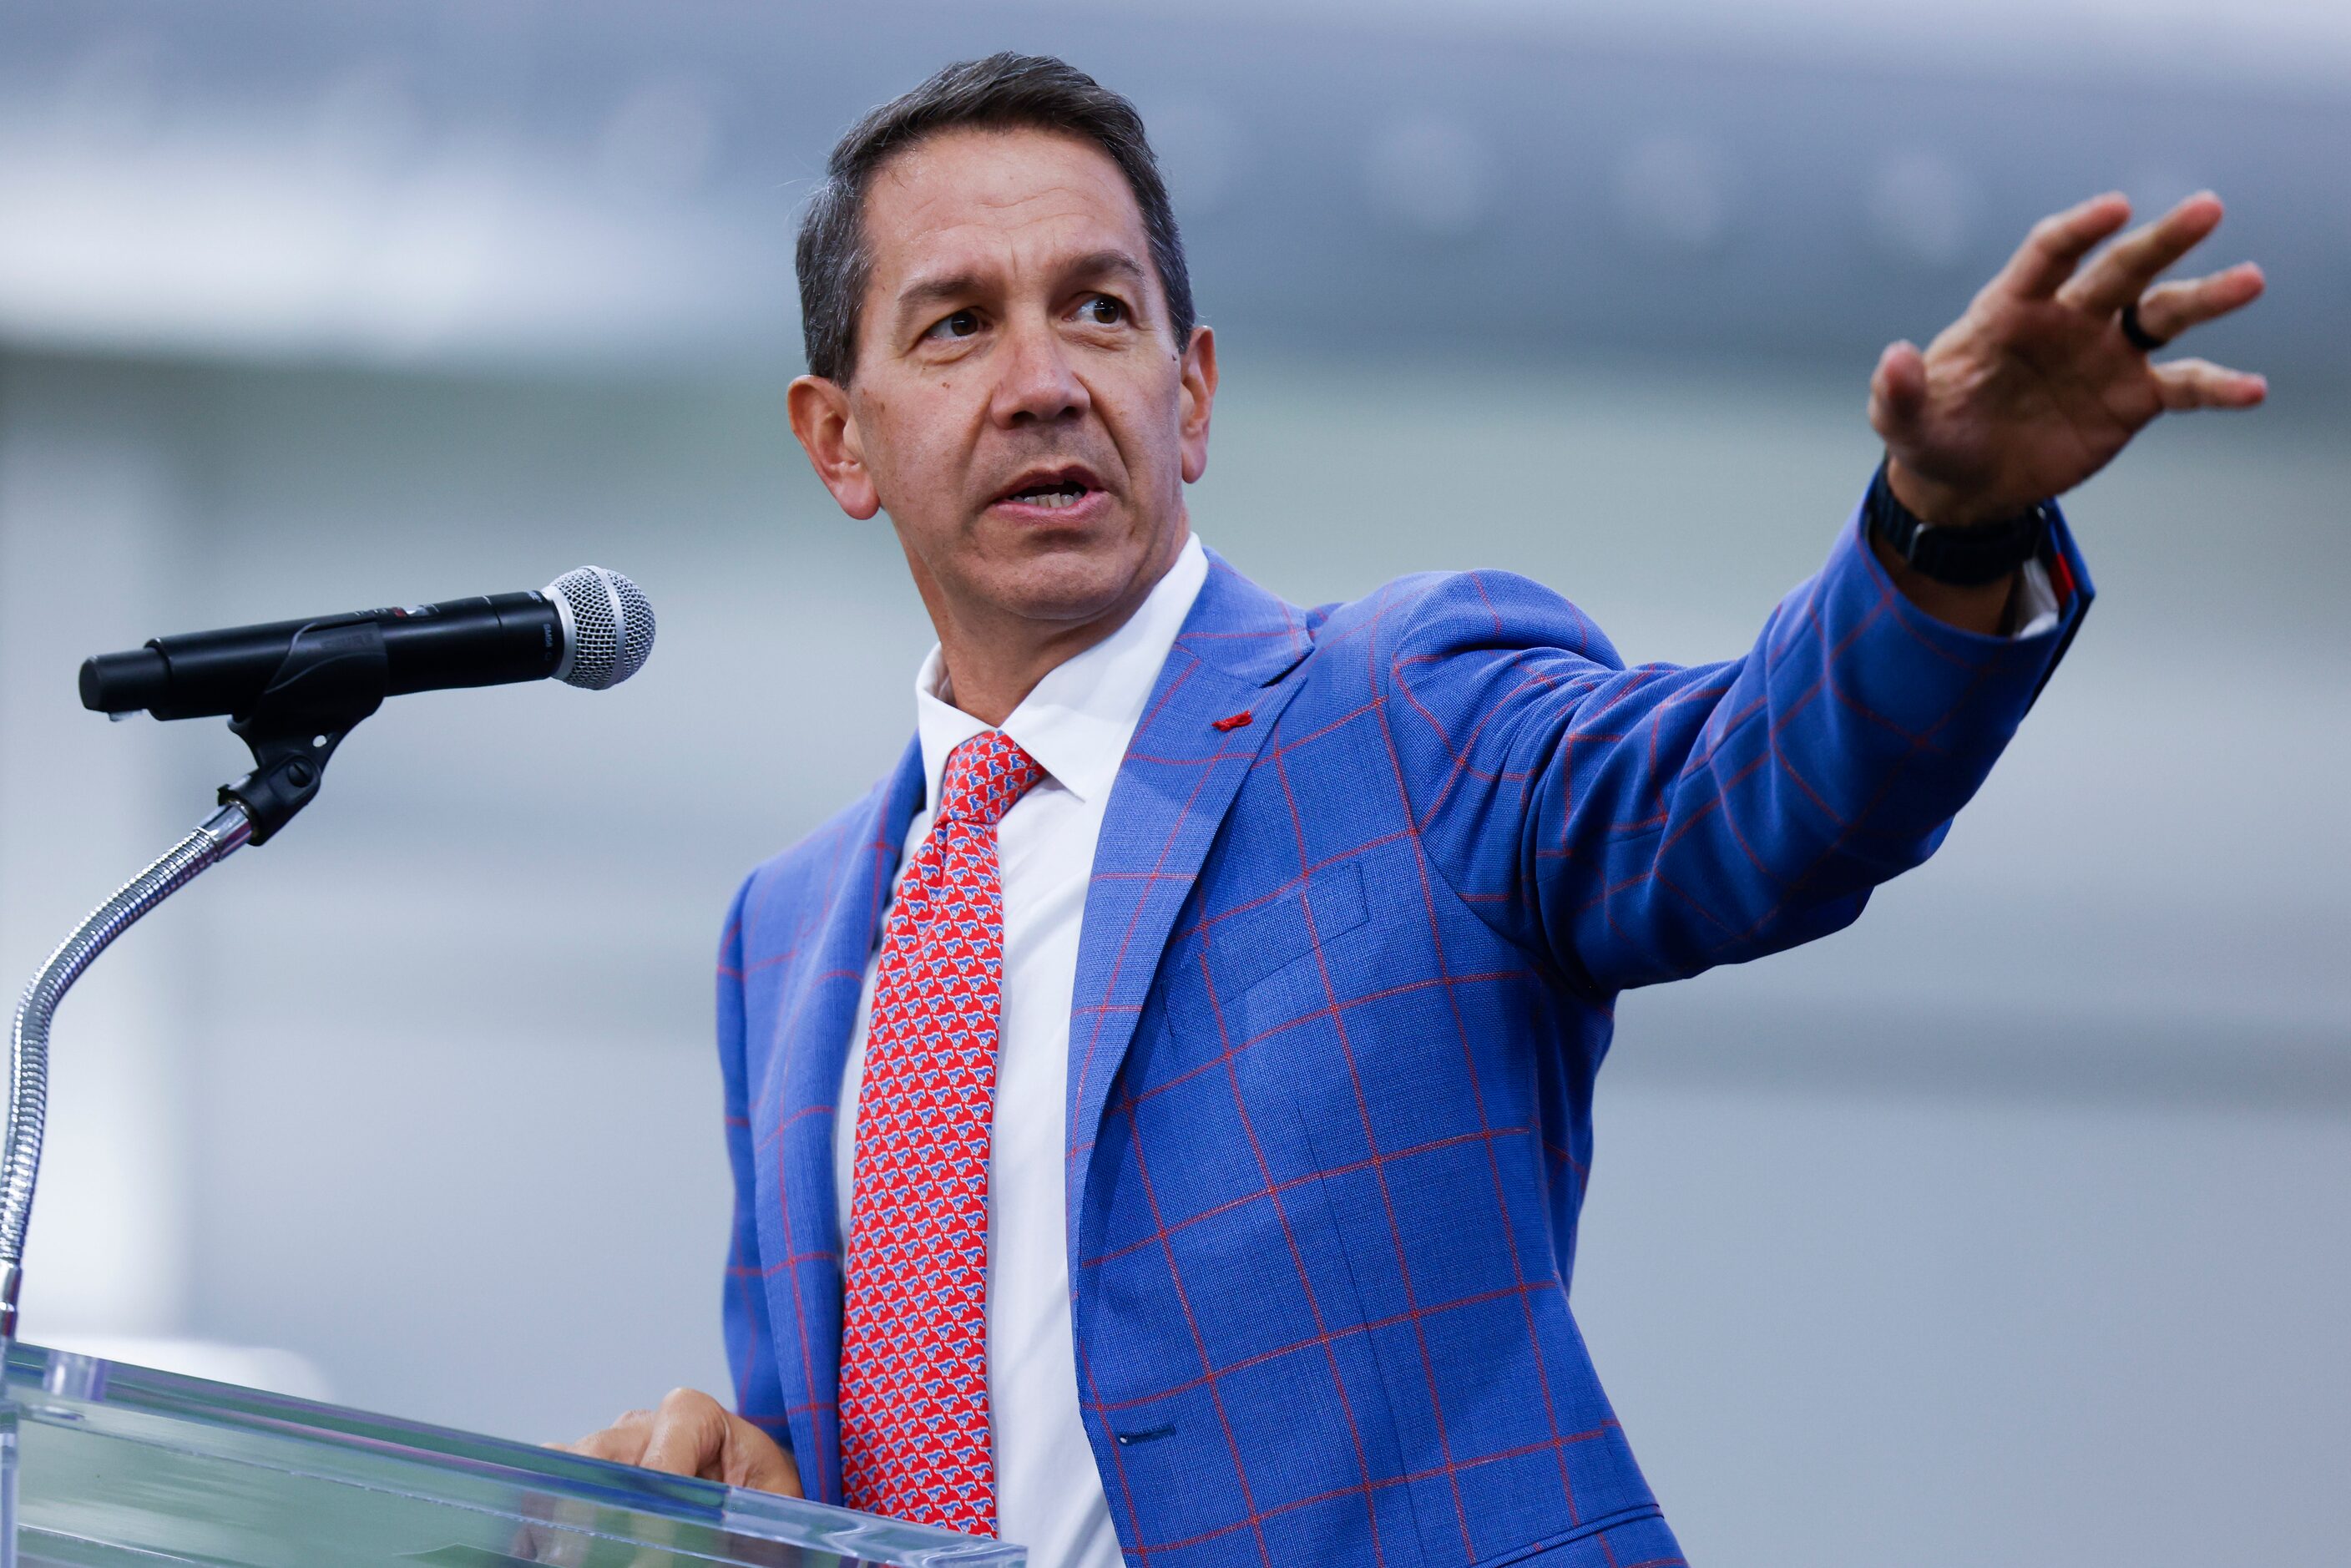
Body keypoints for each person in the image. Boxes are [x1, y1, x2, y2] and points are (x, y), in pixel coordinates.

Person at [564, 52, 2265, 1568]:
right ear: (837, 441)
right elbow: (836, 1473)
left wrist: (1940, 531)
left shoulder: (1409, 705)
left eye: (1098, 310)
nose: (1043, 380)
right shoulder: (781, 937)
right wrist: (737, 1478)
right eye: (957, 323)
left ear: (1192, 392)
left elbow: (1755, 795)